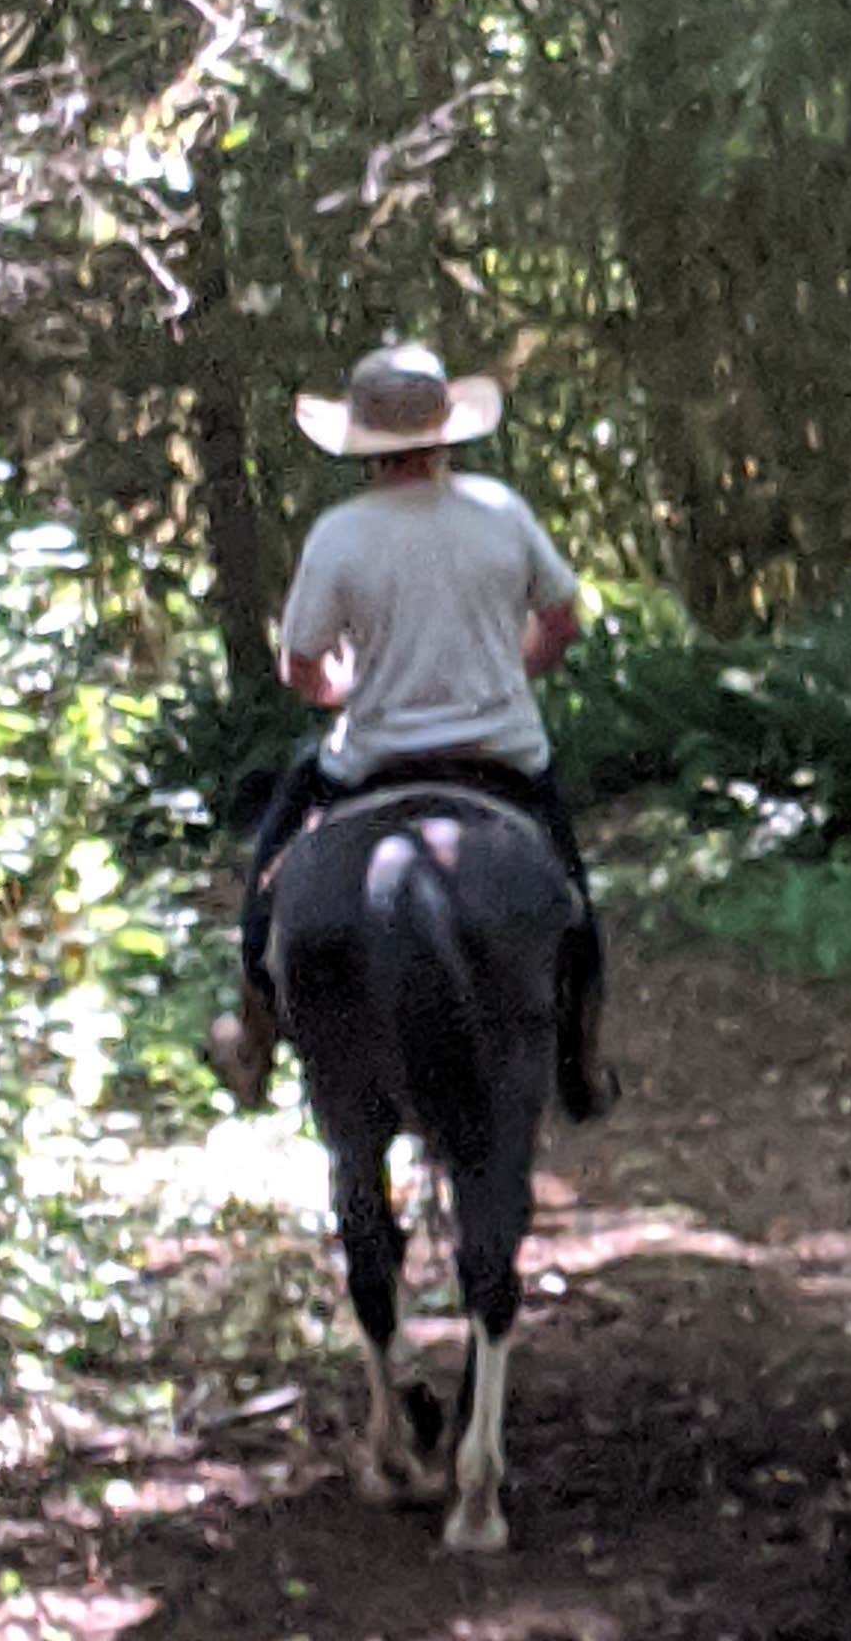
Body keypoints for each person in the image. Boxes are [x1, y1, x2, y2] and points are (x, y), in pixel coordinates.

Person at [208, 341, 613, 1121]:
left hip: (370, 763)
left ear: (364, 447)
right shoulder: (500, 509)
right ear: (444, 434)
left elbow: (301, 668)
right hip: (501, 756)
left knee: (266, 891)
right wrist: (502, 671)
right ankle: (580, 1063)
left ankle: (253, 1035)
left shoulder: (339, 534)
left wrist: (347, 688)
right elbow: (561, 622)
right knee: (574, 903)